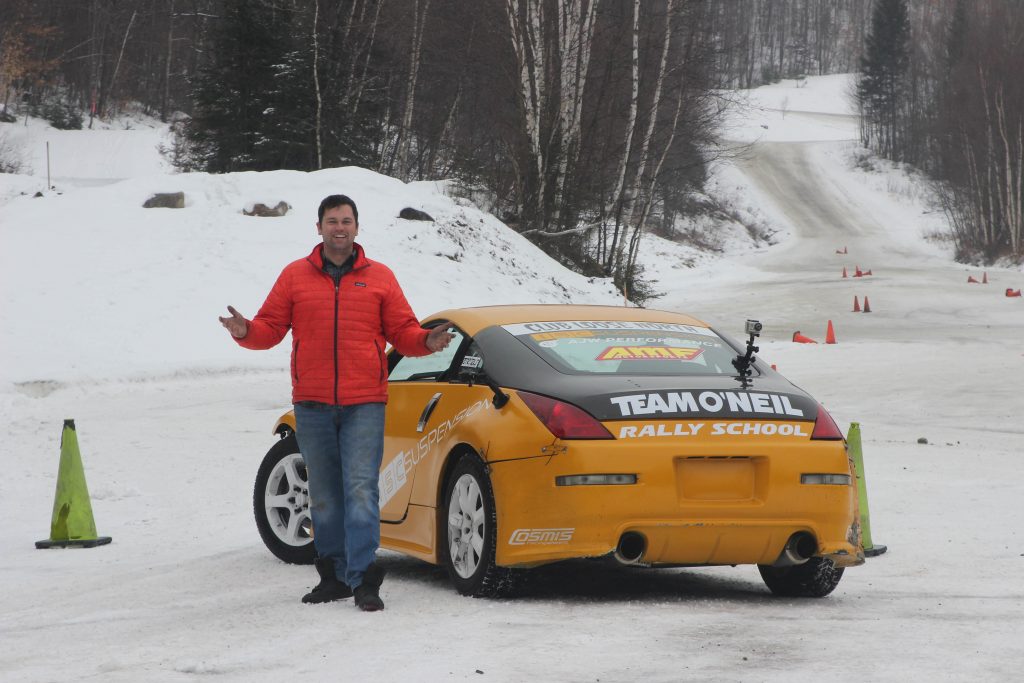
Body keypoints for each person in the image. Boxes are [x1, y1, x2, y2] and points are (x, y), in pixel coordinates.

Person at [219, 194, 453, 611]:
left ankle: (363, 578)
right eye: (332, 220)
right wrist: (244, 331)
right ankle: (333, 575)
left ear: (357, 228)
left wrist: (426, 341)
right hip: (311, 403)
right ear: (319, 227)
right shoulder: (295, 276)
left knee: (361, 490)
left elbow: (403, 331)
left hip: (365, 402)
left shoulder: (380, 278)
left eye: (346, 220)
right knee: (324, 493)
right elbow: (269, 328)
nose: (339, 227)